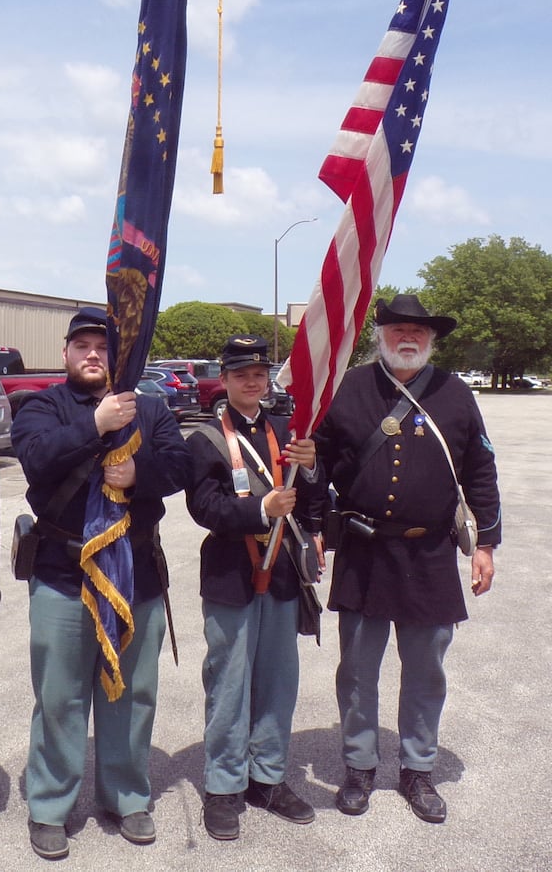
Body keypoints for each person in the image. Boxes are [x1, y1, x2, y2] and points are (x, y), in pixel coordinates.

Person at [314, 294, 501, 823]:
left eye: (418, 331)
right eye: (398, 330)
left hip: (430, 552)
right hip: (364, 550)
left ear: (433, 339)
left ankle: (418, 771)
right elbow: (319, 463)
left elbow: (480, 472)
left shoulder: (455, 392)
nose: (408, 338)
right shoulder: (349, 388)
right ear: (381, 335)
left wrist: (485, 542)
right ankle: (359, 767)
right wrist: (312, 530)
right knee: (356, 671)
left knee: (425, 671)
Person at [11, 306, 189, 861]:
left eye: (104, 346)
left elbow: (180, 468)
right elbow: (37, 460)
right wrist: (96, 425)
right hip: (63, 575)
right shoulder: (42, 405)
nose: (93, 354)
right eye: (82, 345)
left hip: (135, 573)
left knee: (133, 693)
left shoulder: (153, 408)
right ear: (65, 354)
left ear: (122, 355)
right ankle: (50, 807)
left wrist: (141, 475)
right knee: (60, 697)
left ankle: (127, 797)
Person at [186, 335, 324, 842]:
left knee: (278, 683)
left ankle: (267, 777)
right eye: (241, 373)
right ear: (224, 380)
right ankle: (223, 786)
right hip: (231, 576)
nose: (252, 381)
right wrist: (258, 510)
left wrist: (310, 466)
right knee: (228, 685)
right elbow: (203, 507)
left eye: (260, 374)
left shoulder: (286, 430)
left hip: (282, 575)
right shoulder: (204, 438)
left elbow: (312, 499)